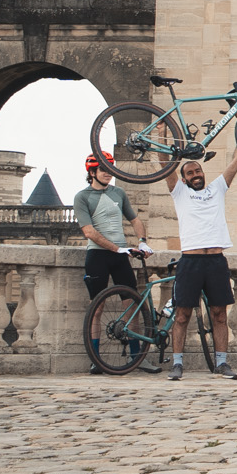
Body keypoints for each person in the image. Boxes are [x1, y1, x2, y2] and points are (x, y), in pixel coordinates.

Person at [162, 147, 237, 381]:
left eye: (198, 170)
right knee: (182, 315)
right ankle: (177, 364)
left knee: (219, 314)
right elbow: (165, 165)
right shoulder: (179, 192)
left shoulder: (217, 188)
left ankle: (221, 363)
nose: (195, 175)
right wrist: (162, 133)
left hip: (215, 261)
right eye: (190, 173)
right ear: (184, 179)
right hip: (190, 261)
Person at [75, 153, 151, 374]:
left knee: (132, 306)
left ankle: (138, 358)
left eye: (110, 169)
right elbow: (89, 231)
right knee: (97, 309)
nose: (108, 173)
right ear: (92, 173)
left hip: (120, 255)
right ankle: (96, 360)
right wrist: (117, 248)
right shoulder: (82, 197)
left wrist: (143, 242)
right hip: (98, 256)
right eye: (103, 169)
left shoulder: (119, 193)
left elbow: (135, 220)